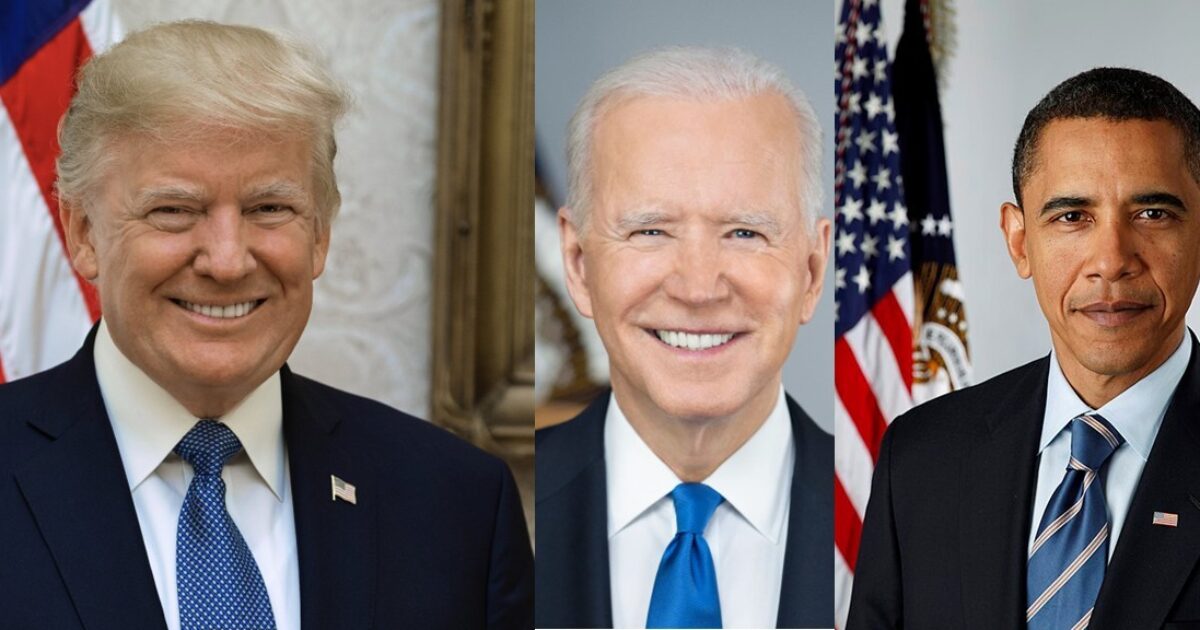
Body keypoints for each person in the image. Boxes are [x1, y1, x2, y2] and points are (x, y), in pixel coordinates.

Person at [0, 20, 532, 630]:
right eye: (174, 210)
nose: (227, 261)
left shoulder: (457, 500)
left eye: (269, 209)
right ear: (84, 234)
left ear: (320, 235)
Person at [848, 67, 1200, 629]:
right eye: (1072, 217)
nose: (1111, 259)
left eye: (1152, 214)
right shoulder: (919, 460)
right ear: (1019, 241)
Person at [536, 46, 833, 629]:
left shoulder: (898, 519)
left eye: (745, 232)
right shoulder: (489, 514)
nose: (699, 288)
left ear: (812, 271)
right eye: (651, 230)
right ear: (576, 262)